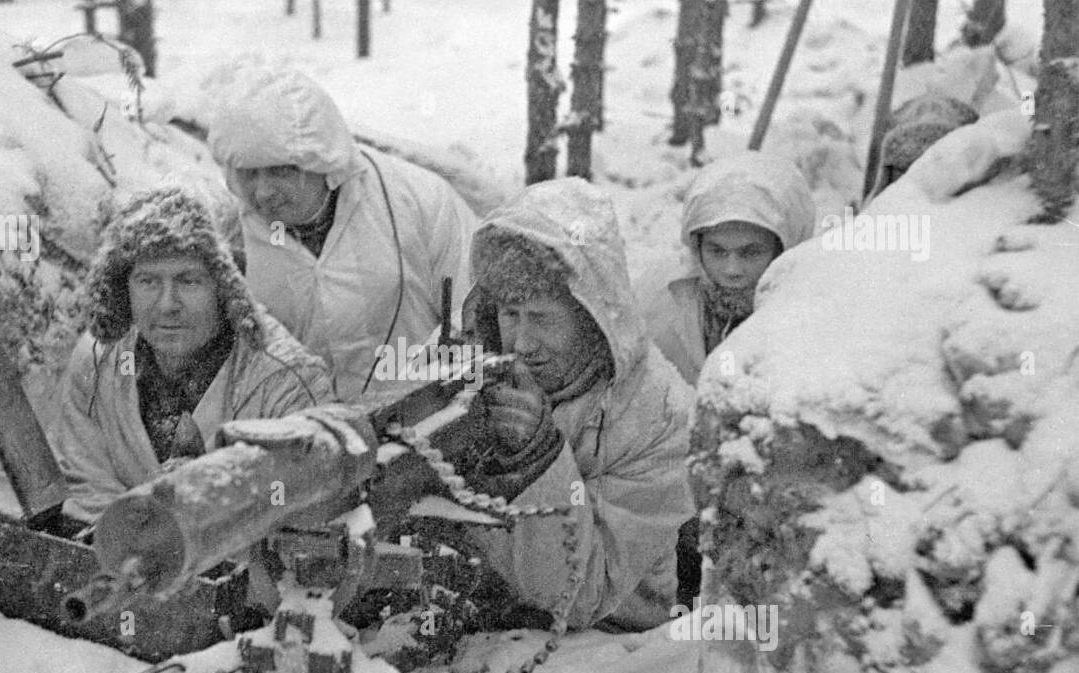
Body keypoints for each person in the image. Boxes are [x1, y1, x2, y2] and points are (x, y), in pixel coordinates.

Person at [459, 178, 696, 631]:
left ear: (592, 319)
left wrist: (537, 459)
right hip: (483, 627)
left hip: (609, 646)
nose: (523, 343)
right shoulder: (468, 364)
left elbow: (587, 593)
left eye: (543, 319)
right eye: (511, 315)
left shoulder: (658, 415)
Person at [49, 187, 335, 523]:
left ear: (227, 288)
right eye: (148, 281)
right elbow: (85, 488)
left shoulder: (286, 382)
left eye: (189, 281)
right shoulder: (97, 360)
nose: (167, 305)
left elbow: (302, 516)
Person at [204, 68, 478, 401]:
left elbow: (477, 311)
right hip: (306, 437)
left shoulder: (418, 200)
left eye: (280, 171)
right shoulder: (230, 235)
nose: (262, 192)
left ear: (323, 162)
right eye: (248, 174)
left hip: (426, 416)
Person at [641, 151, 815, 386]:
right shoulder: (656, 299)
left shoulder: (814, 316)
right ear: (696, 247)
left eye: (751, 252)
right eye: (717, 251)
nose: (732, 270)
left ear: (783, 250)